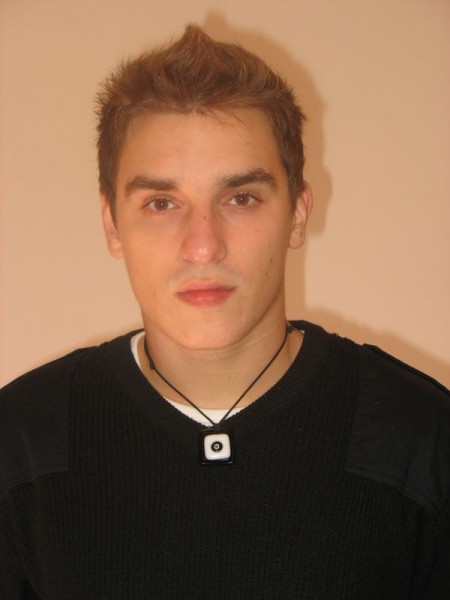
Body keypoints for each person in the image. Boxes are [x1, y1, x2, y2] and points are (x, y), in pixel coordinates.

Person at [0, 24, 449, 600]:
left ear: (297, 213)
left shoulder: (421, 441)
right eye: (161, 203)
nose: (203, 246)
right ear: (112, 225)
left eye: (241, 198)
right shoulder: (22, 444)